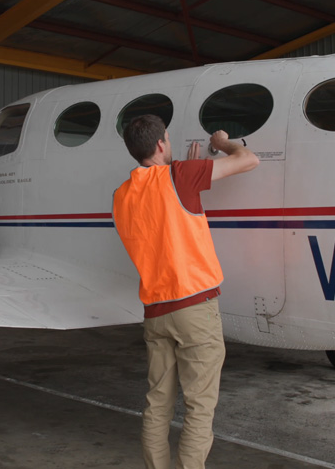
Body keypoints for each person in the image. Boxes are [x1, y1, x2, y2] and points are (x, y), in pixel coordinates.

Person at [112, 114, 259, 469]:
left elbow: (160, 208)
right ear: (161, 143)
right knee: (199, 406)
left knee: (157, 404)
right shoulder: (179, 176)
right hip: (195, 308)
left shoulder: (122, 195)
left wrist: (188, 167)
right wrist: (222, 143)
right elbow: (248, 160)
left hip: (156, 313)